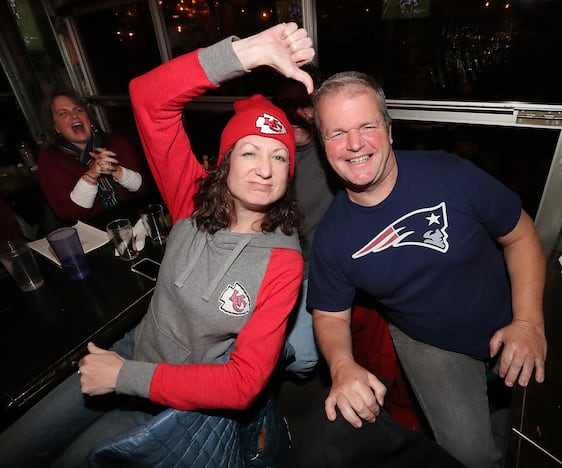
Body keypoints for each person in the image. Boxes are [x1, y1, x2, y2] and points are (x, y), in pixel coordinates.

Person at [0, 22, 314, 467]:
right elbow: (149, 98)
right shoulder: (192, 198)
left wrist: (126, 377)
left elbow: (244, 383)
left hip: (178, 398)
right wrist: (246, 53)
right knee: (17, 445)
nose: (265, 168)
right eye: (250, 151)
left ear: (290, 171)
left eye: (279, 155)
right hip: (132, 348)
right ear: (225, 162)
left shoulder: (283, 261)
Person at [306, 71, 547, 467]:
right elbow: (330, 314)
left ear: (388, 129)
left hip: (507, 309)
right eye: (336, 133)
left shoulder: (449, 173)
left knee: (545, 429)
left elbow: (520, 235)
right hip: (430, 341)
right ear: (323, 144)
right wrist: (342, 365)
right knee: (471, 456)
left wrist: (529, 322)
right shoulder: (333, 235)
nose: (354, 144)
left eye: (367, 126)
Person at [272, 66, 338, 377]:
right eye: (287, 106)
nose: (297, 113)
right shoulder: (267, 152)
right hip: (272, 263)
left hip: (314, 269)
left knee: (300, 358)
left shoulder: (334, 154)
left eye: (307, 104)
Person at [38, 90, 149, 224]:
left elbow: (145, 189)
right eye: (63, 113)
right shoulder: (50, 160)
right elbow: (70, 214)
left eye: (78, 110)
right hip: (92, 232)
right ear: (55, 127)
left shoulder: (115, 142)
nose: (74, 116)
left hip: (135, 220)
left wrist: (117, 171)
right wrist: (91, 175)